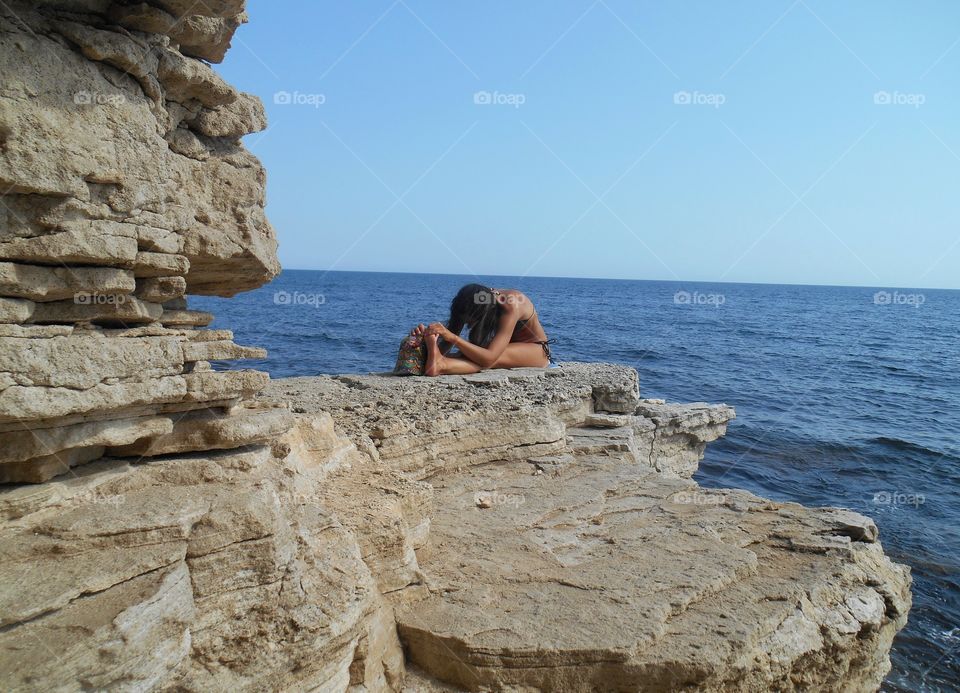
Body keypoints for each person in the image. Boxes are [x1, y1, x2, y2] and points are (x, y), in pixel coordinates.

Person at [409, 283, 551, 376]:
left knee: (490, 357)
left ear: (483, 314)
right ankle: (440, 362)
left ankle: (442, 366)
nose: (469, 325)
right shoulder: (470, 302)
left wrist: (452, 337)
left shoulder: (511, 304)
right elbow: (448, 342)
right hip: (507, 348)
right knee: (470, 353)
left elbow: (489, 358)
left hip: (536, 350)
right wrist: (428, 341)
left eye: (471, 321)